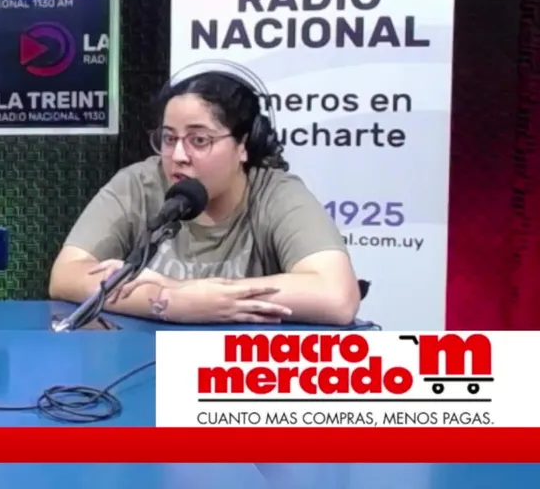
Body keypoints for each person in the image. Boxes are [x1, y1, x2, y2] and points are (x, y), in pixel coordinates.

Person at [48, 71, 361, 326]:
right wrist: (169, 301)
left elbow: (337, 295)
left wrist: (190, 295)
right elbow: (67, 274)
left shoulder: (275, 193)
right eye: (169, 138)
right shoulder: (138, 185)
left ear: (244, 145)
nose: (178, 156)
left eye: (199, 140)